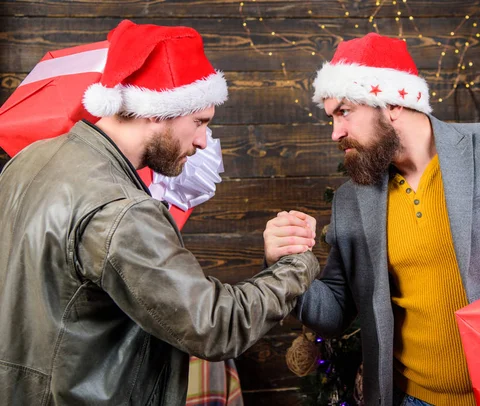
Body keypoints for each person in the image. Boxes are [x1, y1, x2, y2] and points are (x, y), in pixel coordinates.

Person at [265, 33, 480, 406]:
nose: (335, 132)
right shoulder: (350, 200)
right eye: (331, 117)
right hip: (414, 400)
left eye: (343, 111)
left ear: (392, 103)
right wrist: (286, 264)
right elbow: (331, 313)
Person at [0, 20, 318, 405]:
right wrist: (295, 266)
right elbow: (217, 326)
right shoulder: (121, 210)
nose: (203, 141)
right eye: (199, 122)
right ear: (155, 110)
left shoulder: (28, 160)